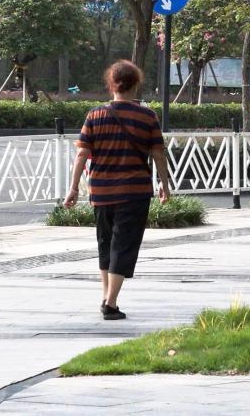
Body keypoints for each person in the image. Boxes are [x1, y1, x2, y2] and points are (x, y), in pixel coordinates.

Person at [64, 60, 170, 320]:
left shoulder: (94, 115)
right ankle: (110, 303)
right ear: (136, 85)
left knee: (106, 243)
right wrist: (164, 184)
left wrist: (73, 188)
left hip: (101, 191)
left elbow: (82, 155)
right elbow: (158, 153)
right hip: (134, 192)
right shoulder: (147, 117)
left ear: (111, 85)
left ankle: (106, 296)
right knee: (123, 245)